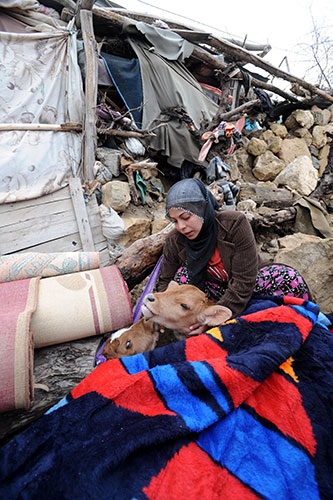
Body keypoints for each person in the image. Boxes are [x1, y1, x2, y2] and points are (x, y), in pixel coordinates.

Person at [157, 178, 310, 335]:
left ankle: (306, 323)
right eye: (175, 221)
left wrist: (213, 320)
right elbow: (164, 282)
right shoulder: (175, 241)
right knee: (182, 277)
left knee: (288, 278)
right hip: (212, 295)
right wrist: (162, 313)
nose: (181, 227)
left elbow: (244, 280)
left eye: (186, 217)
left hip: (251, 287)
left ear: (202, 208)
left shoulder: (235, 224)